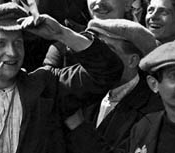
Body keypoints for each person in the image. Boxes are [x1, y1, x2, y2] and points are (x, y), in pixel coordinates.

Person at [0, 3, 123, 153]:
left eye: (17, 43)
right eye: (0, 44)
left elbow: (107, 71)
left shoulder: (47, 86)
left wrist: (62, 34)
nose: (12, 53)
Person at [63, 19, 162, 153]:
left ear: (132, 60)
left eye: (106, 50)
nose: (98, 57)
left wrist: (78, 127)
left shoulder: (152, 110)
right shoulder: (81, 89)